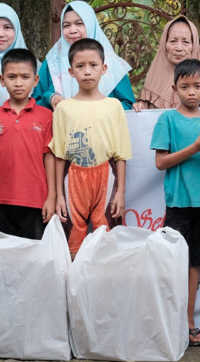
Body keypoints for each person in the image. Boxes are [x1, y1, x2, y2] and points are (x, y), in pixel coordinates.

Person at [150, 58, 200, 348]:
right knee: (174, 263)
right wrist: (196, 146)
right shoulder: (167, 119)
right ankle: (168, 322)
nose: (191, 92)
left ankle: (188, 321)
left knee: (194, 264)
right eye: (185, 87)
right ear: (175, 89)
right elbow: (160, 162)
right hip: (180, 201)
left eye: (197, 86)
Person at [50, 38, 132, 257]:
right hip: (73, 179)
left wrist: (121, 192)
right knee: (72, 240)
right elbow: (58, 155)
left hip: (106, 176)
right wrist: (58, 194)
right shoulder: (64, 109)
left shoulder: (114, 106)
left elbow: (121, 154)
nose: (87, 71)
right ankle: (73, 287)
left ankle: (104, 287)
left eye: (93, 65)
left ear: (104, 69)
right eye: (80, 66)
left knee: (107, 238)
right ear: (71, 71)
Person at [0, 48, 55, 239]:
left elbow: (50, 157)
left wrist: (51, 197)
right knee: (1, 258)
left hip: (35, 201)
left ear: (35, 80)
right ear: (2, 80)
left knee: (33, 258)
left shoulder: (46, 116)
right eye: (12, 77)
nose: (18, 83)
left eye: (25, 77)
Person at [33, 0, 135, 110]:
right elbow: (34, 103)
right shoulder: (52, 63)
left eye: (79, 24)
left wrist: (99, 110)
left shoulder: (112, 64)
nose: (72, 30)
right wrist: (50, 97)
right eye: (66, 25)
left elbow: (128, 105)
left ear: (91, 24)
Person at [134, 15, 200, 110]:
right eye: (173, 41)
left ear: (194, 46)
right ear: (164, 44)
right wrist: (139, 108)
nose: (179, 48)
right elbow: (144, 115)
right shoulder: (153, 78)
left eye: (186, 42)